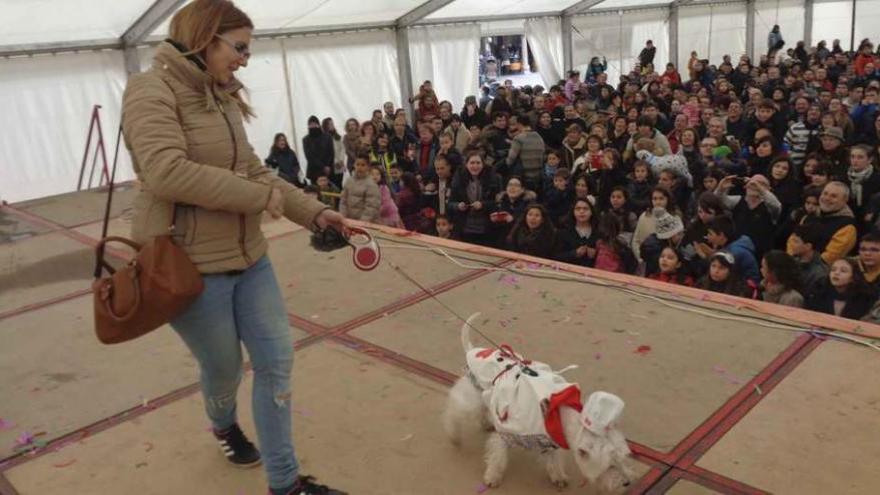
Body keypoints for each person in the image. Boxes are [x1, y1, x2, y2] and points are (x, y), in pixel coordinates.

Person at [121, 2, 348, 494]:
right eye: (239, 47)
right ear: (205, 38)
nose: (245, 59)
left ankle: (284, 484)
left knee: (275, 364)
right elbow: (165, 171)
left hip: (250, 259)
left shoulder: (219, 95)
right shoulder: (150, 91)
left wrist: (312, 211)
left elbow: (254, 168)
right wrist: (258, 197)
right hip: (190, 265)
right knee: (223, 371)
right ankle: (224, 423)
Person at [787, 181, 857, 265]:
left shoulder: (847, 226)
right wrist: (790, 260)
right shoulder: (809, 216)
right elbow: (793, 240)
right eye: (825, 193)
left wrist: (804, 265)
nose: (827, 198)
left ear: (845, 200)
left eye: (833, 196)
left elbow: (829, 258)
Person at [806, 258, 876, 319]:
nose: (836, 273)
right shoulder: (818, 292)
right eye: (833, 270)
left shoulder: (865, 298)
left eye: (843, 271)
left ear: (853, 277)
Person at [555, 198, 598, 266]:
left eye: (585, 209)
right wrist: (573, 253)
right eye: (578, 209)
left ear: (591, 212)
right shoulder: (563, 232)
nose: (581, 211)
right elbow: (556, 256)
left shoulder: (599, 232)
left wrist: (596, 255)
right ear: (573, 212)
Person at [339, 155, 380, 223]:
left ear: (368, 167)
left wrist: (361, 223)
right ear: (354, 165)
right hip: (348, 221)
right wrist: (343, 217)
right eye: (357, 164)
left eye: (363, 165)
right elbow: (343, 201)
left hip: (365, 223)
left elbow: (371, 207)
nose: (359, 167)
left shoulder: (371, 185)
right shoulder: (349, 181)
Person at [302, 115, 334, 183]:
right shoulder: (306, 139)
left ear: (318, 125)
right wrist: (323, 167)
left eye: (314, 124)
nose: (313, 126)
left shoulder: (327, 137)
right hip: (314, 171)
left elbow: (331, 153)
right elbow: (309, 156)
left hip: (328, 170)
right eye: (311, 124)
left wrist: (328, 166)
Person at [322, 118, 346, 188]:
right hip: (330, 165)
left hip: (339, 164)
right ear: (325, 126)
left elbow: (342, 149)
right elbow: (326, 153)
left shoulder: (337, 136)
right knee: (331, 184)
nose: (332, 125)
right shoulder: (323, 138)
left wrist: (341, 160)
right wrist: (335, 161)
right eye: (330, 124)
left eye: (332, 124)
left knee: (339, 184)